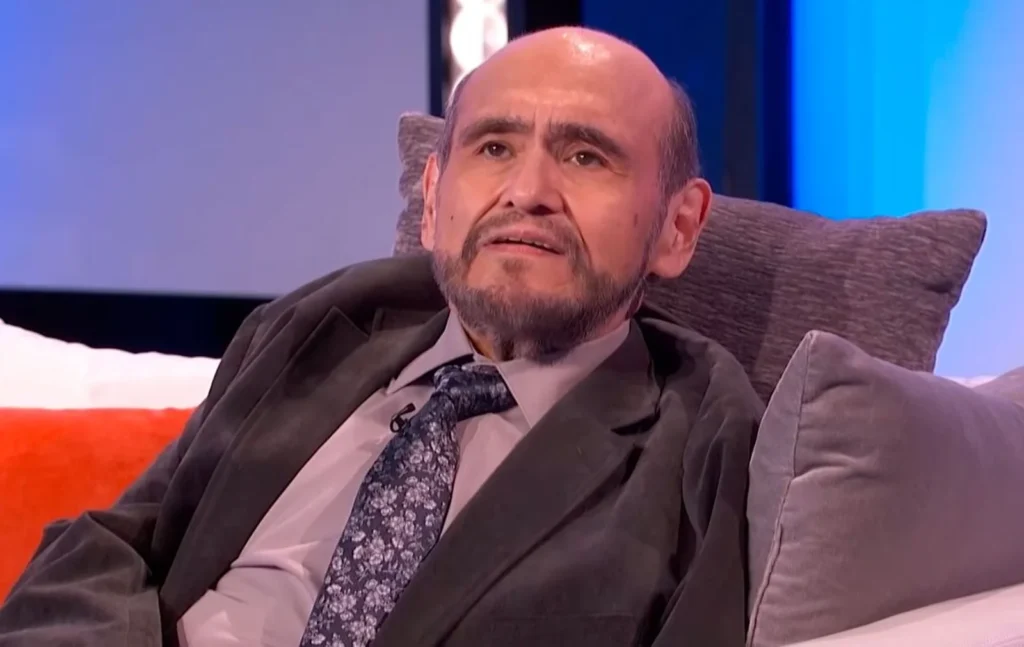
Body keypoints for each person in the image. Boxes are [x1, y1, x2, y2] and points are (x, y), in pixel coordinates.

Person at [0, 27, 763, 647]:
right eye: (494, 147)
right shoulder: (316, 333)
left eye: (585, 155)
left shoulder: (698, 441)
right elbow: (109, 550)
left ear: (678, 227)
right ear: (432, 200)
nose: (527, 192)